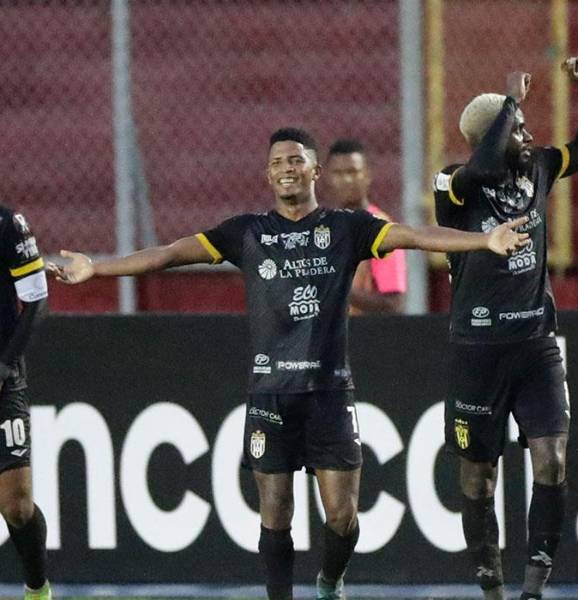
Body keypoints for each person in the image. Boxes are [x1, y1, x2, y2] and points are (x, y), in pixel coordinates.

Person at [48, 127, 530, 600]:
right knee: (275, 513)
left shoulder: (347, 228)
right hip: (270, 394)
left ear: (314, 170)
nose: (287, 169)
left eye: (296, 160)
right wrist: (98, 267)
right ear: (268, 175)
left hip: (329, 393)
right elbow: (169, 254)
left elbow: (415, 236)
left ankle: (329, 582)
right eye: (278, 162)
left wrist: (482, 242)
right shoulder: (247, 233)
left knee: (342, 517)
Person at [433, 57, 578, 600]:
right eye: (517, 131)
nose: (529, 137)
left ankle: (534, 587)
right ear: (489, 137)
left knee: (552, 459)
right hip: (477, 350)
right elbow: (482, 170)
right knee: (477, 477)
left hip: (536, 345)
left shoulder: (538, 168)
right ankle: (491, 589)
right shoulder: (453, 185)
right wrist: (509, 104)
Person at [0, 207, 51, 600]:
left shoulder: (7, 225)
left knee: (16, 506)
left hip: (4, 377)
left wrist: (3, 367)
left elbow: (35, 300)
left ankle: (38, 589)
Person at [326, 138, 407, 315]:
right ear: (327, 177)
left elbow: (393, 303)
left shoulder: (382, 228)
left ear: (367, 175)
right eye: (338, 173)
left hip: (365, 334)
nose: (346, 179)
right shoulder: (323, 228)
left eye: (353, 171)